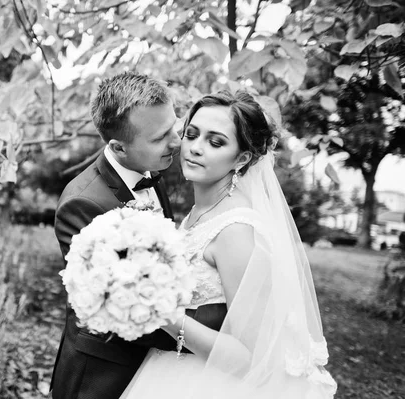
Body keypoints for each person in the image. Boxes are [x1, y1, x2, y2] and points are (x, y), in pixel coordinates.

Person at [122, 91, 338, 398]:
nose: (195, 148)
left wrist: (166, 316)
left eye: (215, 141)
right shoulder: (200, 213)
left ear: (241, 158)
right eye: (192, 135)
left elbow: (249, 358)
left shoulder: (235, 230)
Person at [50, 72, 229, 399]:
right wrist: (219, 340)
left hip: (155, 369)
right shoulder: (83, 204)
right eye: (162, 137)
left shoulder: (149, 168)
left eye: (175, 126)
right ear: (118, 147)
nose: (177, 141)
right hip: (103, 375)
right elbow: (119, 310)